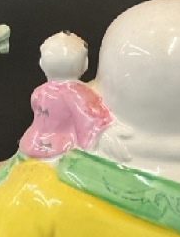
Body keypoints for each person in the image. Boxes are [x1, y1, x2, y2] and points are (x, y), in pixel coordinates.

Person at [19, 31, 112, 159]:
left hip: (32, 141)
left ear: (41, 64)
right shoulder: (75, 93)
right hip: (58, 144)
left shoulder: (39, 92)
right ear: (85, 65)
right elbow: (87, 119)